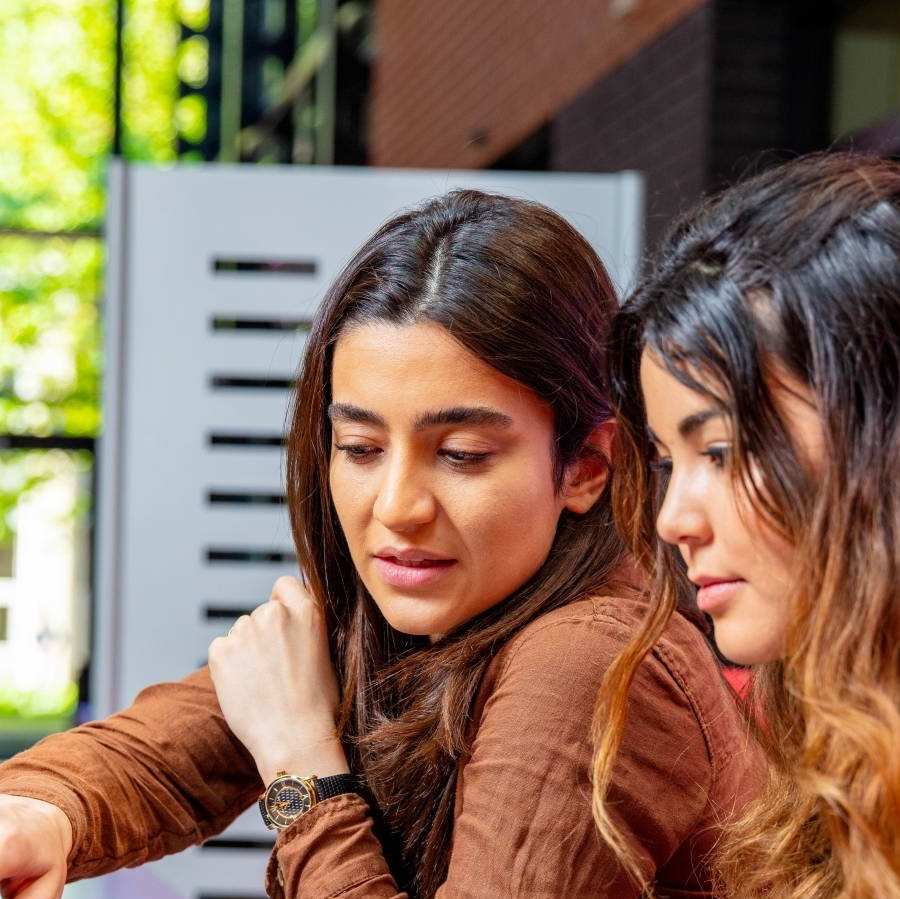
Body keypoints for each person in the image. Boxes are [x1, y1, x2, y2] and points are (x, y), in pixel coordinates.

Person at [0, 191, 757, 899]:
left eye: (461, 454)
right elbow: (161, 751)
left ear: (587, 467)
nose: (397, 507)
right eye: (360, 447)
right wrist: (40, 814)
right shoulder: (426, 611)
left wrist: (303, 771)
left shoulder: (586, 658)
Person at [593, 153, 900, 899]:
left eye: (723, 450)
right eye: (668, 461)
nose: (673, 519)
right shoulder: (815, 745)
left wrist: (306, 779)